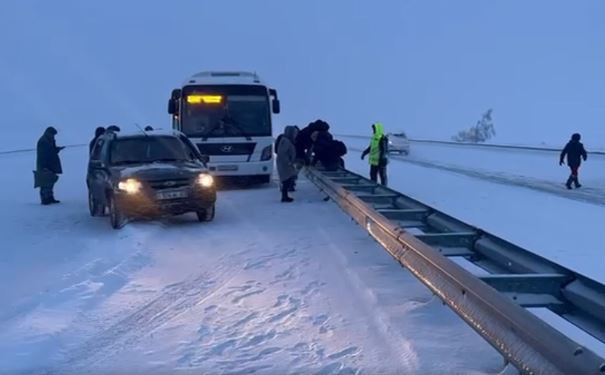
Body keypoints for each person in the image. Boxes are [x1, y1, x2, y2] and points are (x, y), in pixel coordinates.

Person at [35, 127, 65, 205]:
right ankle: (45, 199)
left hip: (51, 165)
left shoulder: (49, 140)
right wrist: (44, 167)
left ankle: (50, 198)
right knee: (45, 183)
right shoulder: (43, 141)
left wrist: (57, 149)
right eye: (53, 134)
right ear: (49, 133)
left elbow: (52, 150)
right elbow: (43, 155)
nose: (54, 136)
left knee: (50, 182)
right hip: (45, 165)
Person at [276, 126, 298, 202]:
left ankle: (285, 196)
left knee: (288, 179)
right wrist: (288, 161)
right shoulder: (285, 141)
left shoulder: (287, 140)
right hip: (285, 164)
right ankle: (284, 197)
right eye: (294, 133)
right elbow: (282, 153)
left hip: (286, 163)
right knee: (286, 180)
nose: (295, 134)